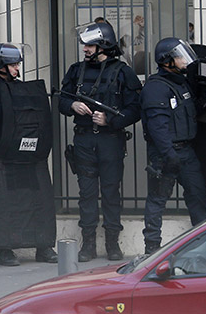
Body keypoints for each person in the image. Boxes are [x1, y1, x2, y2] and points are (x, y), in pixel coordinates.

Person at [59, 22, 142, 262]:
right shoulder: (76, 70)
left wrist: (110, 120)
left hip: (110, 141)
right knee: (86, 194)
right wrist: (72, 105)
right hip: (84, 140)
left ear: (103, 45)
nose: (85, 49)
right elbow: (62, 101)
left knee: (110, 192)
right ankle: (89, 245)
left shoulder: (123, 72)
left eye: (90, 44)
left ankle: (112, 243)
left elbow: (135, 109)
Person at [0, 42, 57, 266]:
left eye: (18, 64)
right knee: (5, 203)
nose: (17, 69)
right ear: (0, 65)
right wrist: (7, 106)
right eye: (13, 64)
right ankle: (5, 249)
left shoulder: (21, 87)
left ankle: (44, 245)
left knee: (40, 199)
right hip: (3, 156)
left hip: (29, 156)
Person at [140, 37, 206, 254]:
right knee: (157, 200)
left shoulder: (180, 84)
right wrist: (169, 155)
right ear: (167, 61)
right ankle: (152, 247)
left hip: (186, 151)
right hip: (165, 154)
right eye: (180, 56)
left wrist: (203, 100)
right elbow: (158, 127)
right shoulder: (156, 89)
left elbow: (185, 115)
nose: (184, 60)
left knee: (198, 196)